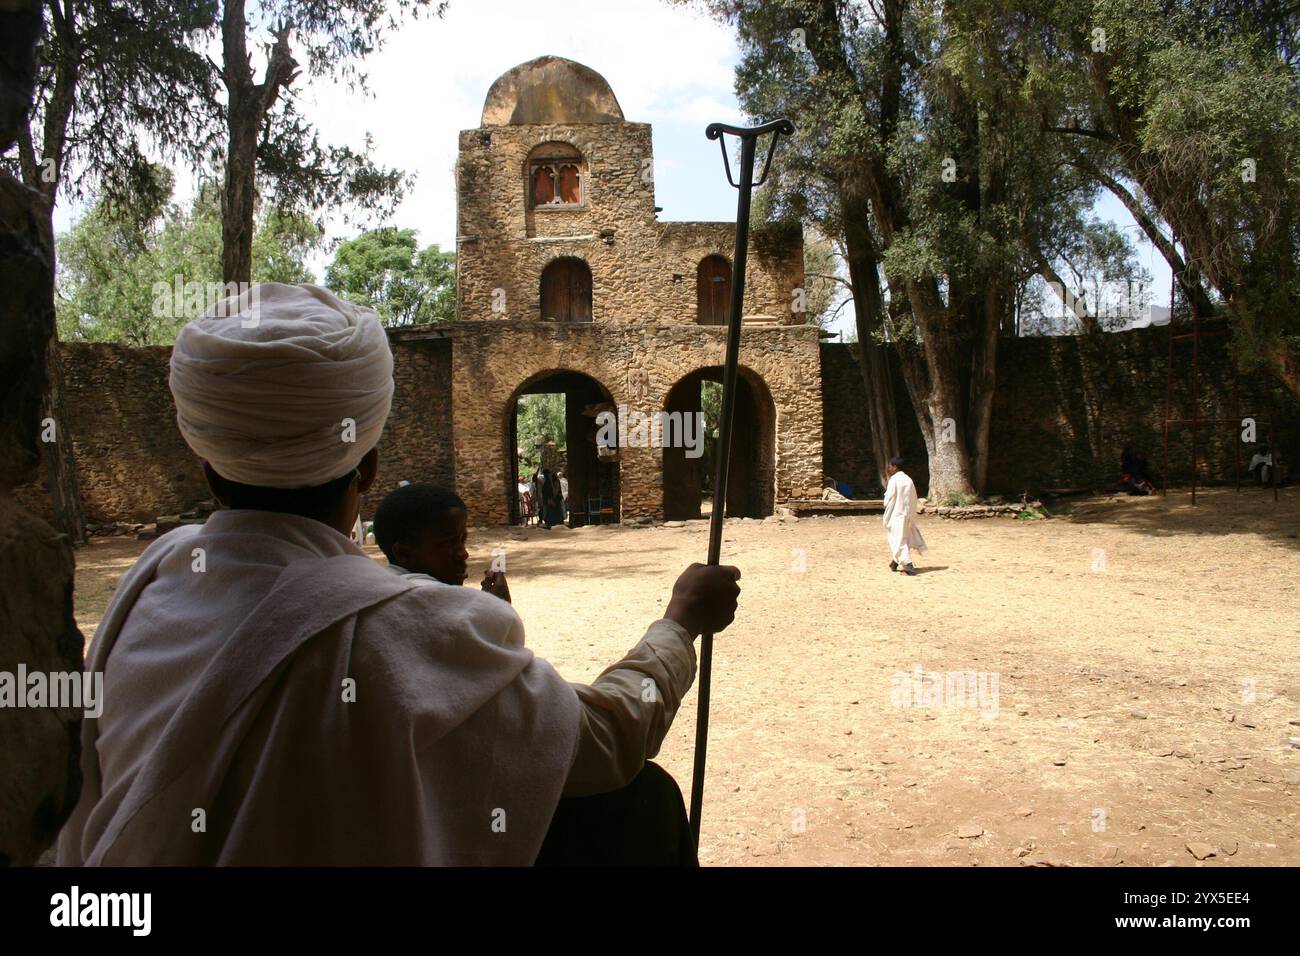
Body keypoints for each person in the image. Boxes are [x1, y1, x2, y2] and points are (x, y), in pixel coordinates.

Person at [56, 283, 741, 866]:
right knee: (642, 802)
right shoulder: (415, 626)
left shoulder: (151, 584)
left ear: (208, 464)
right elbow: (608, 741)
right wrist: (679, 622)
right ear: (370, 467)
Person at [373, 482, 510, 602]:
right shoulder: (433, 599)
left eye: (463, 540)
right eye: (448, 543)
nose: (463, 554)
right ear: (403, 553)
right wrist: (495, 606)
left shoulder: (377, 592)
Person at [882, 455, 926, 576]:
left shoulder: (894, 480)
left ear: (895, 467)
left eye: (890, 466)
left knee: (897, 540)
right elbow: (913, 498)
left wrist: (887, 509)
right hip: (907, 515)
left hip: (897, 515)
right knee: (902, 538)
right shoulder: (908, 480)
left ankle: (908, 565)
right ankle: (895, 562)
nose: (889, 468)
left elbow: (888, 499)